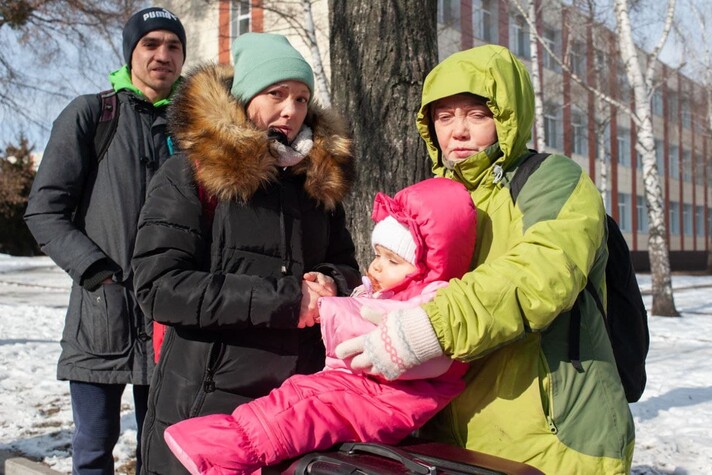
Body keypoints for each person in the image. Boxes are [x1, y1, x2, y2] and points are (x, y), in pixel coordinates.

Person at [336, 44, 636, 474]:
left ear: (508, 117)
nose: (458, 131)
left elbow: (541, 273)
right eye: (444, 117)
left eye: (477, 115)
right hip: (447, 438)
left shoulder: (551, 180)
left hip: (553, 436)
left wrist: (432, 326)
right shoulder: (431, 200)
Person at [130, 32, 362, 475]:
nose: (290, 110)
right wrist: (286, 300)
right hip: (205, 410)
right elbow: (159, 286)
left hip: (293, 416)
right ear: (244, 95)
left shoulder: (317, 182)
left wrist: (332, 282)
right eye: (276, 94)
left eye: (301, 98)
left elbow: (347, 265)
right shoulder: (190, 173)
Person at [158, 177, 476, 475]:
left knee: (302, 411)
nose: (377, 266)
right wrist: (338, 288)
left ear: (428, 266)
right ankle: (221, 448)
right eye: (378, 255)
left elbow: (417, 347)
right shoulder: (396, 290)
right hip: (365, 389)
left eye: (393, 261)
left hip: (389, 400)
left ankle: (226, 451)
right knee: (294, 398)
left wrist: (326, 306)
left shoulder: (435, 299)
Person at [23, 6, 186, 474]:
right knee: (94, 448)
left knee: (165, 451)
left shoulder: (195, 130)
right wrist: (97, 272)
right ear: (130, 52)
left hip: (172, 319)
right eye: (150, 44)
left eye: (173, 46)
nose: (162, 55)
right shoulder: (93, 113)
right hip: (101, 316)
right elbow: (44, 211)